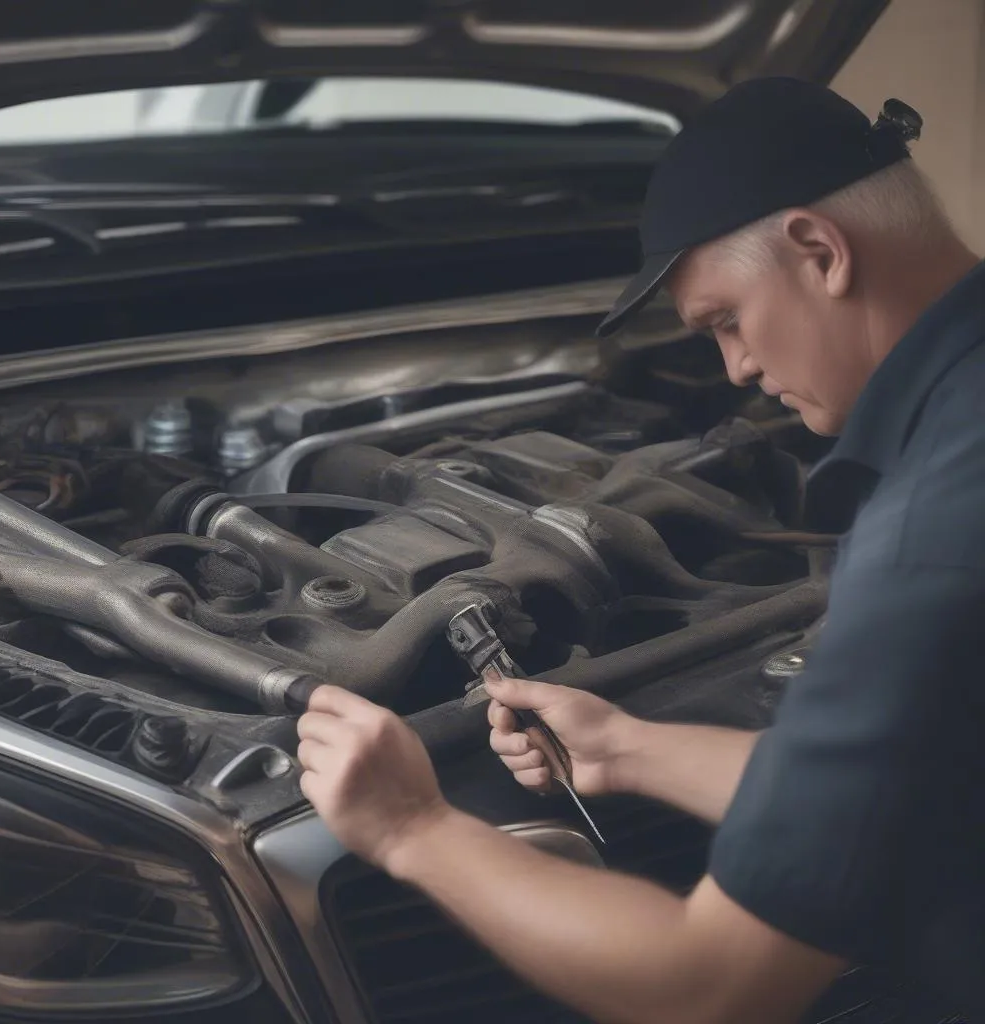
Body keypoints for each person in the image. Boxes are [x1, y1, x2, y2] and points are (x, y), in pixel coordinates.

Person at [295, 77, 985, 1023]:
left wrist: (409, 829)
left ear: (819, 251)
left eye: (727, 321)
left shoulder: (930, 539)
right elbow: (915, 781)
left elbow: (708, 988)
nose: (735, 369)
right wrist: (629, 749)